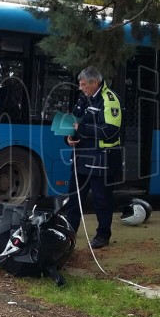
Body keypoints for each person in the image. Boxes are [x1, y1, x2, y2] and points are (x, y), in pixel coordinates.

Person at [63, 66, 123, 249]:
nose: (80, 88)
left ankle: (103, 235)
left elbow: (111, 131)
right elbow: (74, 122)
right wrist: (69, 137)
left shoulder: (109, 100)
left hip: (102, 159)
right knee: (74, 198)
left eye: (83, 85)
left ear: (94, 83)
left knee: (101, 200)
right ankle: (69, 232)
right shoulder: (83, 99)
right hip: (81, 156)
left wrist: (82, 129)